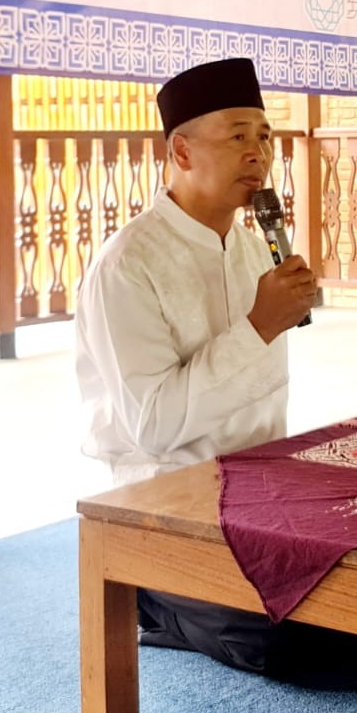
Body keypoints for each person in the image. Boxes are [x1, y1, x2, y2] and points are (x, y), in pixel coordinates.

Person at [75, 56, 319, 674]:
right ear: (181, 153)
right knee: (280, 641)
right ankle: (157, 602)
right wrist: (261, 324)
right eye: (237, 136)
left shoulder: (253, 243)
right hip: (168, 499)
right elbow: (154, 426)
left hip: (261, 491)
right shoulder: (127, 265)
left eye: (264, 136)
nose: (258, 153)